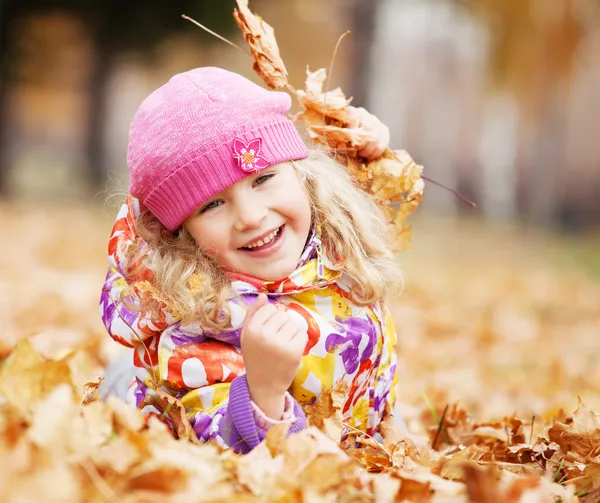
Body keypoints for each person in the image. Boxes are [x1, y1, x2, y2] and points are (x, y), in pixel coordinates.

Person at [99, 66, 403, 454]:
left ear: (300, 175)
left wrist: (373, 156)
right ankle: (121, 377)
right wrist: (263, 391)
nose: (251, 216)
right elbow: (217, 445)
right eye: (212, 204)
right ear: (182, 234)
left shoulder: (330, 231)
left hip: (361, 422)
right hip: (292, 453)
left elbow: (376, 206)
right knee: (128, 387)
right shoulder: (196, 323)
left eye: (262, 179)